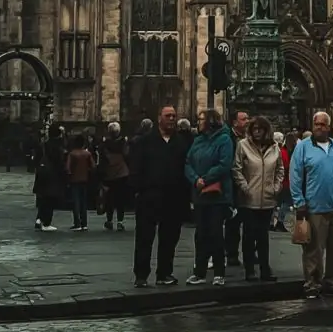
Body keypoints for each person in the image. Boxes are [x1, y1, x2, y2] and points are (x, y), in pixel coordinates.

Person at [289, 111, 333, 300]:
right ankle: (312, 284)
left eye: (323, 125)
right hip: (313, 207)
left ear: (329, 127)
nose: (319, 128)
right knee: (313, 250)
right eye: (316, 124)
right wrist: (299, 201)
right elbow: (295, 175)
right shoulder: (303, 148)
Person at [131, 105, 191, 288]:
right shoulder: (145, 141)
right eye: (168, 116)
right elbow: (135, 168)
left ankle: (164, 273)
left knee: (169, 238)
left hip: (174, 197)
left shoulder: (181, 142)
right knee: (144, 237)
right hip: (149, 196)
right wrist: (138, 189)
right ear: (159, 118)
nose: (171, 119)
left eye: (173, 116)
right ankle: (141, 275)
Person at [185, 109, 234, 286]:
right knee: (200, 234)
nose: (198, 122)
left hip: (217, 196)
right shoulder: (198, 140)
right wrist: (194, 178)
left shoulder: (224, 139)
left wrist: (205, 179)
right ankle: (199, 272)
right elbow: (188, 162)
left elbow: (224, 164)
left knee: (215, 233)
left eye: (201, 119)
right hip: (200, 194)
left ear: (211, 121)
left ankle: (219, 273)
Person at [232, 115, 283, 282]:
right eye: (254, 129)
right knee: (249, 235)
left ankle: (264, 267)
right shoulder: (243, 146)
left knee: (263, 236)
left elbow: (280, 169)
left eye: (260, 129)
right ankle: (250, 269)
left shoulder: (274, 148)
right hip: (248, 199)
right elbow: (237, 169)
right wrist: (245, 187)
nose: (257, 132)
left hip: (267, 198)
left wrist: (276, 187)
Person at [224, 109, 249, 266]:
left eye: (247, 118)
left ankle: (249, 254)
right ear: (234, 122)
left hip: (250, 185)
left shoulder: (252, 137)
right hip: (233, 187)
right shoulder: (228, 138)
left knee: (250, 223)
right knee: (233, 222)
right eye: (243, 119)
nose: (247, 121)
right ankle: (231, 253)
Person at [33, 123, 67, 232]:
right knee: (50, 199)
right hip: (53, 175)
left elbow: (36, 159)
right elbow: (60, 162)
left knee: (43, 197)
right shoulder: (57, 146)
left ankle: (39, 219)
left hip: (42, 173)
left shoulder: (43, 144)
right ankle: (46, 223)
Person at [100, 122, 129, 231]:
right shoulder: (123, 142)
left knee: (109, 198)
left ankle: (109, 220)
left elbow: (102, 158)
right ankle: (120, 221)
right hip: (122, 173)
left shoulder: (105, 144)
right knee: (120, 198)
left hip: (109, 173)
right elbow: (127, 155)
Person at [67, 133, 96, 232]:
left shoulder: (72, 154)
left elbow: (68, 168)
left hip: (74, 180)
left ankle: (77, 223)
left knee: (76, 202)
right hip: (85, 179)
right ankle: (84, 223)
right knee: (84, 202)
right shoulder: (87, 154)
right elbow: (93, 166)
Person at [272, 131, 291, 232]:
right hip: (283, 181)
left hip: (275, 181)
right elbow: (286, 166)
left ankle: (272, 222)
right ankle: (279, 221)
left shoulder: (271, 150)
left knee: (275, 202)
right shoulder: (282, 151)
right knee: (286, 202)